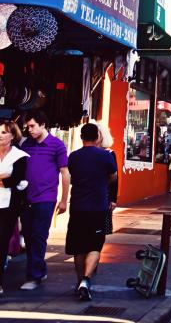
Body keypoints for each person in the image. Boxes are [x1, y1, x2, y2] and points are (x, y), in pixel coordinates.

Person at [66, 123, 117, 301]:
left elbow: (71, 176)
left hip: (78, 206)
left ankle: (79, 281)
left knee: (78, 247)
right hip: (98, 206)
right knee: (95, 245)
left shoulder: (73, 156)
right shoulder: (105, 156)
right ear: (98, 137)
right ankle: (86, 281)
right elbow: (113, 176)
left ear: (81, 137)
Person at [19, 110, 70, 290]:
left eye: (32, 126)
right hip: (26, 198)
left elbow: (65, 173)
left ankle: (34, 277)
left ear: (42, 124)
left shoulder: (57, 145)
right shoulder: (26, 144)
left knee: (39, 236)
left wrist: (64, 200)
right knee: (28, 237)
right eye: (27, 127)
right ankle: (40, 268)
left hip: (46, 198)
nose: (30, 130)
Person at [0, 121, 28, 295]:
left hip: (7, 207)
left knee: (1, 243)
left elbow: (15, 179)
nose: (0, 135)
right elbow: (7, 179)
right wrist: (4, 178)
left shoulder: (20, 156)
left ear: (12, 135)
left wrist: (7, 179)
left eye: (4, 132)